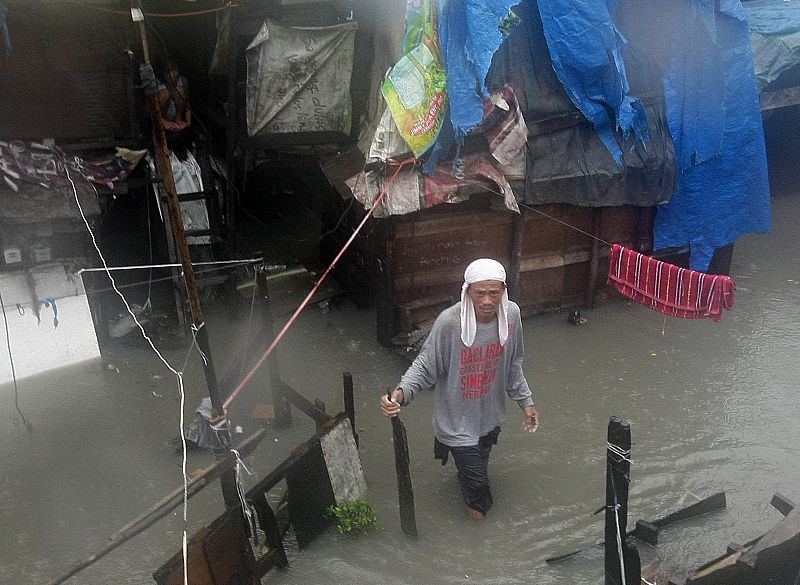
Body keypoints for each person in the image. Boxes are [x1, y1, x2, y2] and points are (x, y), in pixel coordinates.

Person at [380, 258, 540, 519]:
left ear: (503, 291)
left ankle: (467, 475)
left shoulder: (511, 316)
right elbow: (424, 365)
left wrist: (527, 402)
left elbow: (513, 363)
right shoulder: (449, 323)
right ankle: (480, 538)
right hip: (456, 422)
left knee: (480, 464)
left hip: (490, 416)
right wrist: (399, 394)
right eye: (480, 293)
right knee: (480, 497)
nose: (487, 301)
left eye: (494, 293)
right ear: (467, 292)